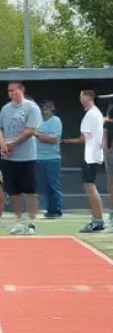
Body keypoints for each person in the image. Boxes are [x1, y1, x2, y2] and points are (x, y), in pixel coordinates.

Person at [0, 81, 42, 235]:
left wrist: (12, 144)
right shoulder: (5, 108)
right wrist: (3, 144)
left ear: (21, 90)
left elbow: (29, 131)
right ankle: (18, 220)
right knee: (13, 191)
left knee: (30, 190)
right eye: (9, 91)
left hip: (27, 157)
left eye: (14, 90)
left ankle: (31, 222)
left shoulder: (31, 107)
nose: (11, 94)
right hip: (9, 158)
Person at [62, 89, 106, 232]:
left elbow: (83, 138)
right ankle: (96, 219)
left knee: (90, 187)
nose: (80, 99)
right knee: (90, 187)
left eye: (81, 96)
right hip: (94, 155)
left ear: (88, 97)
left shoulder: (91, 114)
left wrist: (67, 141)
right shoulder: (96, 113)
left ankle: (98, 220)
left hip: (91, 156)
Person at [35, 100, 63, 219]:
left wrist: (37, 135)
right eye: (44, 106)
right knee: (44, 186)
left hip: (52, 159)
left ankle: (57, 210)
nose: (45, 108)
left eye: (48, 107)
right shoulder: (38, 121)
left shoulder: (56, 121)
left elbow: (53, 139)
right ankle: (49, 209)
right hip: (38, 158)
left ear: (53, 109)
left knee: (53, 185)